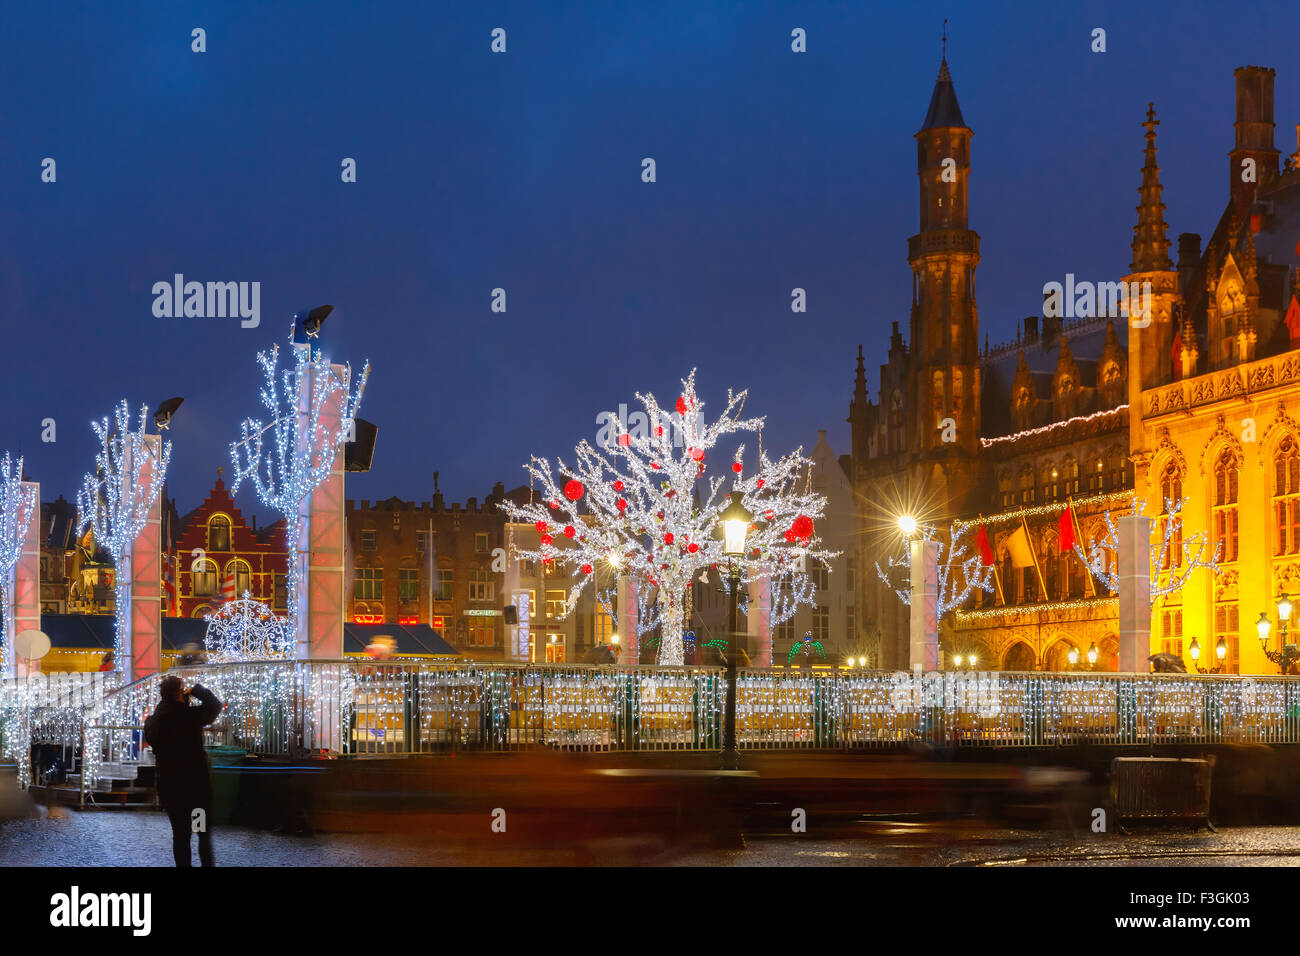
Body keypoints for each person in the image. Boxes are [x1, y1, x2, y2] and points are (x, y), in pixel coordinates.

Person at [143, 675, 222, 867]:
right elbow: (214, 706)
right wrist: (196, 690)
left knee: (180, 835)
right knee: (201, 833)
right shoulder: (190, 716)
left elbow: (156, 739)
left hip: (171, 788)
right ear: (179, 693)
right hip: (196, 789)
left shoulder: (153, 721)